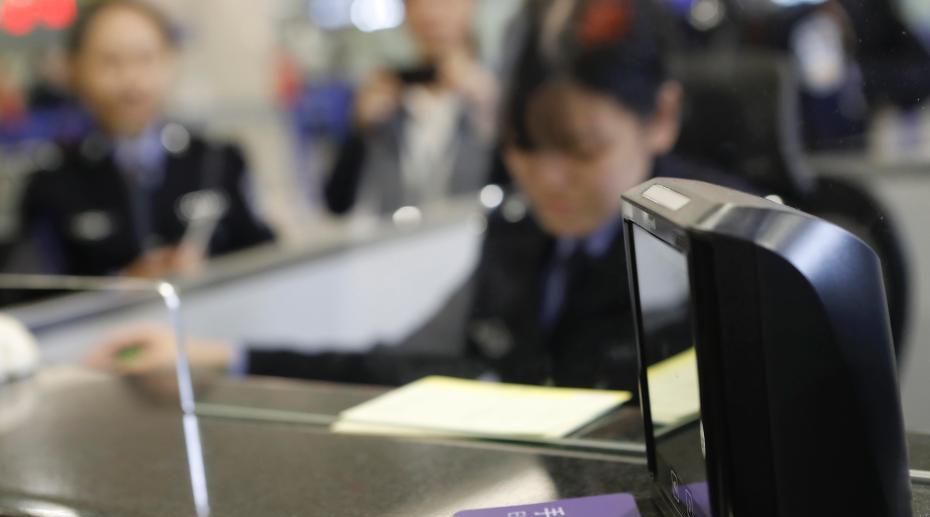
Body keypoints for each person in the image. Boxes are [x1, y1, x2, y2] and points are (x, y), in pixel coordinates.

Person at [89, 0, 745, 391]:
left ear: (660, 117)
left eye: (580, 148)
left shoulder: (717, 258)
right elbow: (412, 361)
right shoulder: (522, 228)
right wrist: (228, 357)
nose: (547, 178)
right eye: (522, 146)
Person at [16, 0, 274, 279]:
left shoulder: (217, 160)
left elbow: (264, 257)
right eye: (110, 62)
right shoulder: (52, 182)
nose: (131, 80)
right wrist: (120, 288)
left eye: (145, 58)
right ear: (75, 69)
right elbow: (33, 288)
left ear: (171, 61)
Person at [323, 0, 499, 216]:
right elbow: (336, 202)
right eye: (415, 3)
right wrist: (359, 132)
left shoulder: (496, 91)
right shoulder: (386, 98)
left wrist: (493, 115)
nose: (430, 14)